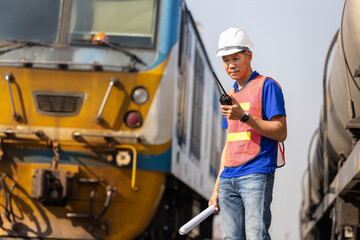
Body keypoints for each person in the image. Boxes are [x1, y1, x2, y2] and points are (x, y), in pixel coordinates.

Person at [209, 27, 287, 240]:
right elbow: (230, 144)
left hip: (256, 172)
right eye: (225, 60)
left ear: (249, 56)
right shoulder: (230, 95)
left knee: (256, 236)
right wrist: (217, 187)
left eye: (236, 58)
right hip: (228, 178)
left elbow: (281, 132)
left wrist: (244, 117)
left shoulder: (267, 86)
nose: (230, 65)